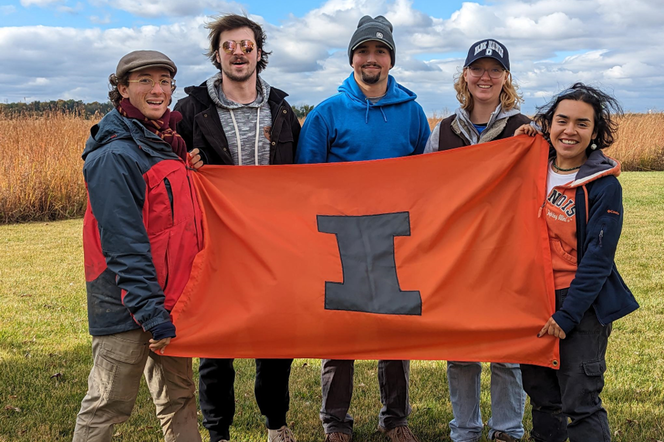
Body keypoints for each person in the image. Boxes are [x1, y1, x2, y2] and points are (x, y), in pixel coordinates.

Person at [296, 15, 430, 442]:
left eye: (380, 51)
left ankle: (395, 418)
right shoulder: (326, 113)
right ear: (352, 57)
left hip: (395, 236)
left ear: (391, 59)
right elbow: (306, 182)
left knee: (394, 329)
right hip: (341, 238)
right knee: (342, 331)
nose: (371, 59)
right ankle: (336, 421)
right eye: (363, 51)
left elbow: (431, 175)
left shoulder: (412, 113)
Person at [174, 13, 300, 442]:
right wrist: (185, 162)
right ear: (217, 55)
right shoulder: (190, 110)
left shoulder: (282, 109)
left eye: (246, 45)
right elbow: (165, 164)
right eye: (229, 46)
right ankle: (218, 432)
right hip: (214, 243)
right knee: (217, 344)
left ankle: (276, 424)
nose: (238, 53)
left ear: (259, 53)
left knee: (274, 340)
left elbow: (302, 176)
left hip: (271, 243)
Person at [73, 50, 203, 442]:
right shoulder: (116, 154)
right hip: (128, 304)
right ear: (122, 89)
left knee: (179, 399)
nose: (157, 89)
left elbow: (174, 225)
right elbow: (123, 244)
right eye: (145, 80)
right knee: (108, 404)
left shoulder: (164, 143)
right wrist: (151, 313)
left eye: (164, 81)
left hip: (166, 301)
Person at [515, 83, 639, 442]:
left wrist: (566, 316)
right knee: (543, 399)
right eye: (561, 121)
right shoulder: (533, 164)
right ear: (548, 125)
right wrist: (525, 136)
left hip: (578, 307)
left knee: (580, 402)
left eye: (581, 124)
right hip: (534, 301)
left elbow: (598, 262)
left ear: (596, 132)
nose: (570, 131)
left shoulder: (603, 186)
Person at [424, 39, 530, 442]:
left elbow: (557, 169)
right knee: (462, 347)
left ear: (505, 78)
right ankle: (464, 430)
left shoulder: (525, 129)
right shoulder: (443, 133)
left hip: (506, 252)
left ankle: (507, 430)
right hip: (459, 255)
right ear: (465, 75)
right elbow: (425, 191)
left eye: (494, 69)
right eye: (477, 68)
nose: (485, 77)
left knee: (507, 348)